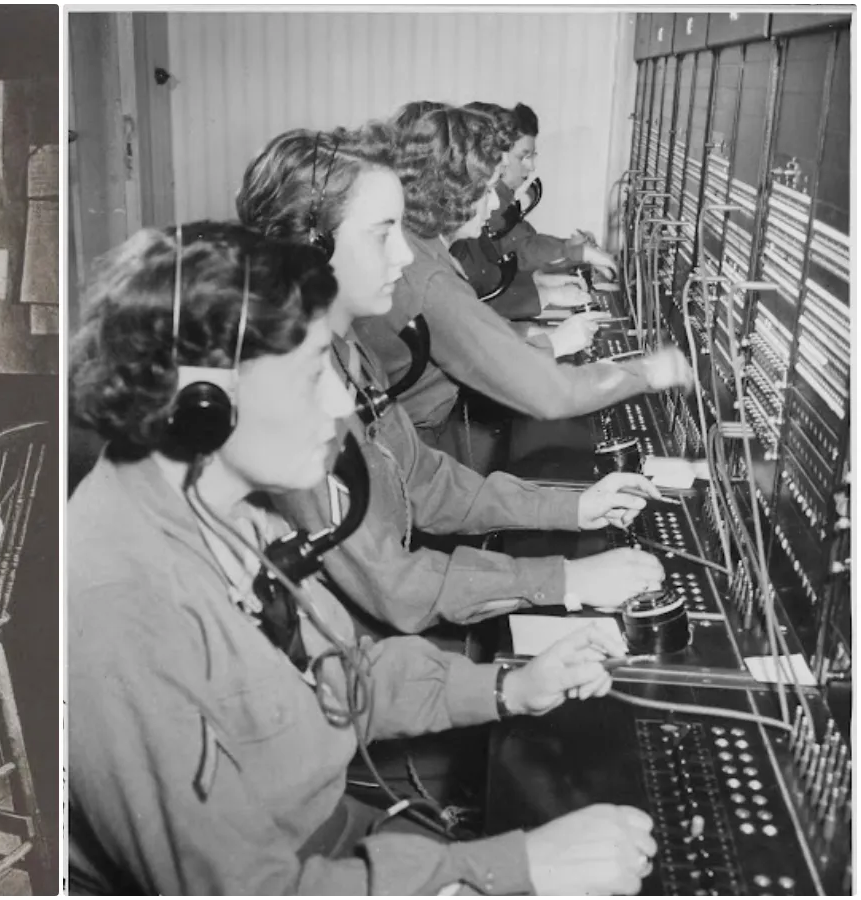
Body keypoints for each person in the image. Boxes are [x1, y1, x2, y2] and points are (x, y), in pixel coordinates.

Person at [68, 220, 657, 895]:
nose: (339, 403)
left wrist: (508, 687)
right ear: (204, 402)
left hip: (337, 835)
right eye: (315, 372)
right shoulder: (118, 601)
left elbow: (342, 675)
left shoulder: (230, 507)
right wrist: (508, 870)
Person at [237, 125, 667, 634]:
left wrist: (573, 506)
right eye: (382, 234)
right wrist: (565, 579)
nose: (403, 256)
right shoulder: (287, 400)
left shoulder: (344, 353)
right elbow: (392, 585)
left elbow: (425, 482)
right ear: (313, 250)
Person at [361, 103, 694, 471]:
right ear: (452, 193)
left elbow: (472, 335)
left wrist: (541, 339)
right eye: (486, 190)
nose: (492, 207)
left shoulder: (428, 252)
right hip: (410, 452)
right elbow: (551, 394)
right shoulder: (430, 279)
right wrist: (650, 372)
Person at [450, 102, 620, 322]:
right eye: (523, 156)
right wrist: (574, 254)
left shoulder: (492, 203)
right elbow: (520, 251)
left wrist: (540, 281)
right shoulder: (485, 208)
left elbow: (495, 271)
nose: (532, 167)